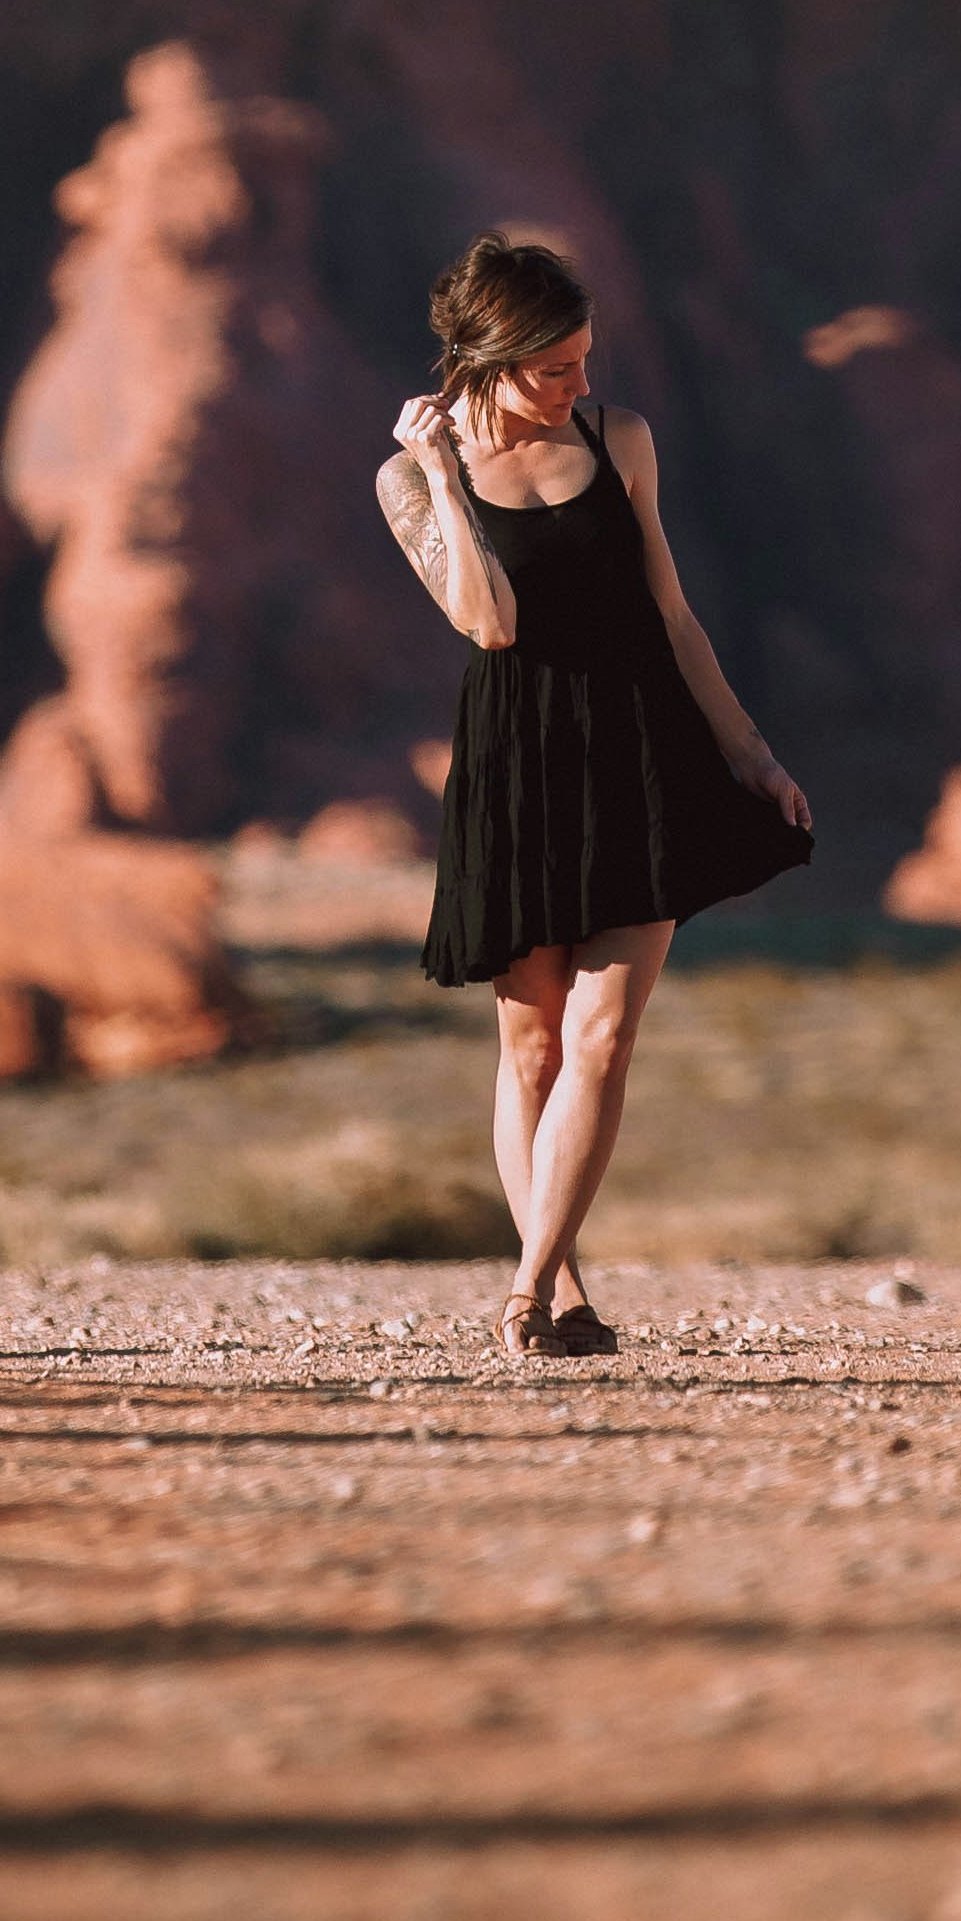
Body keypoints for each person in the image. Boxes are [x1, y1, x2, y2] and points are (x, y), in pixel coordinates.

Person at [378, 232, 813, 1360]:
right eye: (553, 368)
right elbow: (489, 621)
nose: (578, 384)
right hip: (518, 762)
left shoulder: (619, 437)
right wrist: (439, 477)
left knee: (605, 1034)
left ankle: (525, 1290)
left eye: (583, 359)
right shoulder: (411, 478)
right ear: (486, 358)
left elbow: (671, 613)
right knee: (532, 1052)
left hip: (639, 746)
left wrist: (750, 752)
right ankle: (564, 1284)